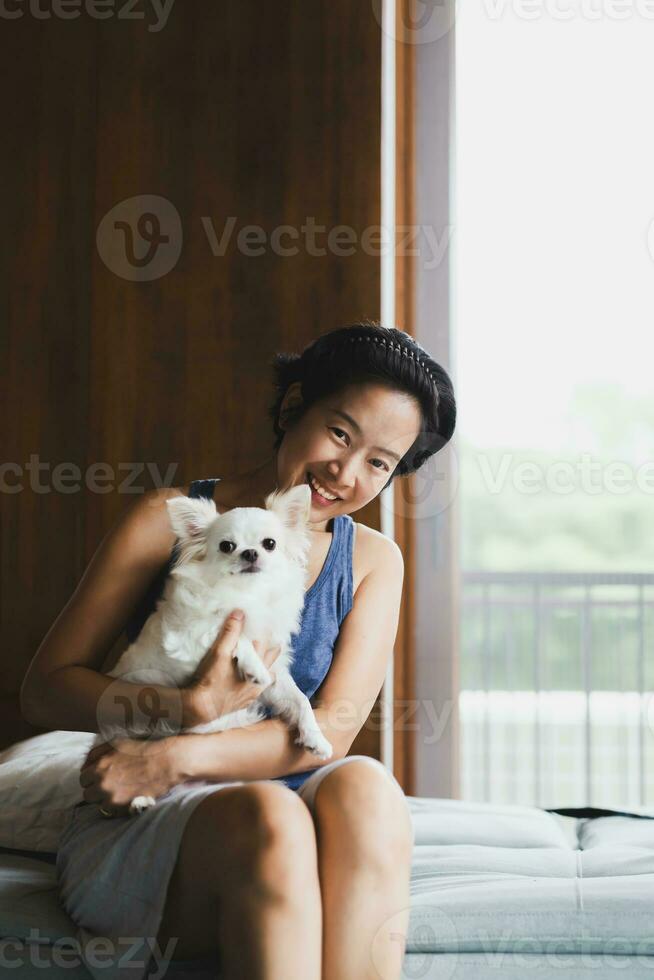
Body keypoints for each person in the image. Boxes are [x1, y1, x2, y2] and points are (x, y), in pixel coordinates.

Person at [20, 320, 456, 980]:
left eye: (379, 462)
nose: (344, 472)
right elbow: (44, 687)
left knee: (366, 786)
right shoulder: (173, 516)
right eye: (339, 432)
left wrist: (174, 755)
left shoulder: (370, 561)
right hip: (154, 819)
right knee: (268, 814)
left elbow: (329, 734)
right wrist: (179, 708)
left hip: (224, 782)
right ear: (292, 407)